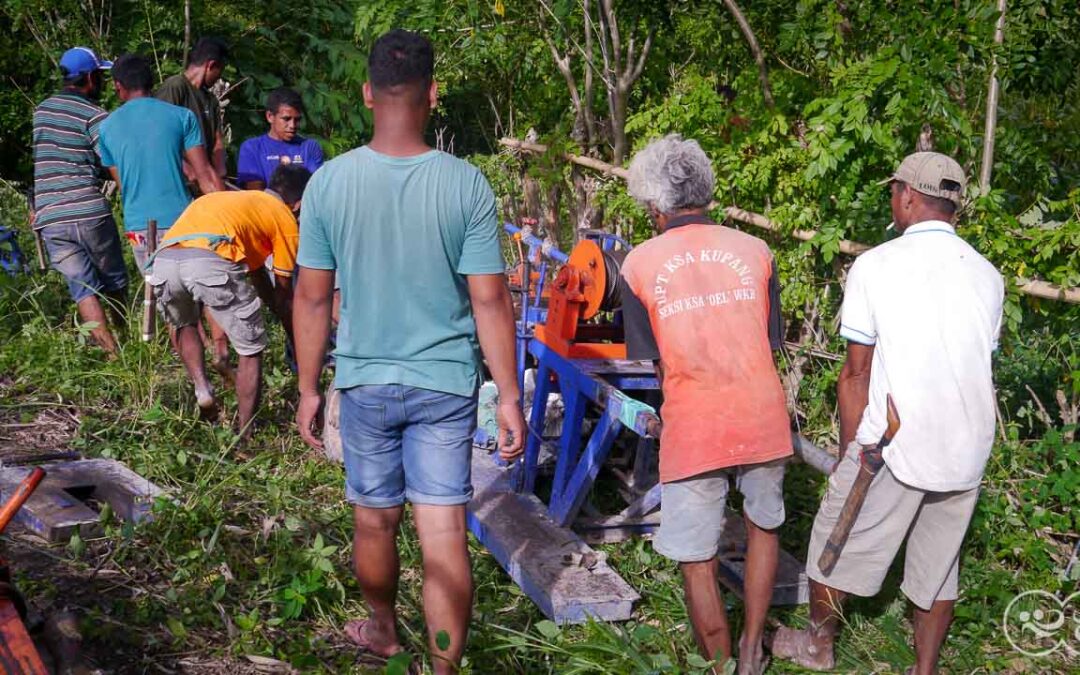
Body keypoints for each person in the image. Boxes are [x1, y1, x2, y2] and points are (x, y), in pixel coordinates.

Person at [292, 29, 524, 673]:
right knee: (443, 529)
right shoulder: (466, 184)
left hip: (364, 379)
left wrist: (310, 388)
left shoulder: (329, 184)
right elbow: (490, 301)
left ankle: (384, 631)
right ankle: (444, 667)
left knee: (375, 521)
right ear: (433, 94)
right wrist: (509, 396)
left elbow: (311, 300)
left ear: (367, 93)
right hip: (446, 382)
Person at [771, 152, 1004, 674]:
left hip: (896, 441)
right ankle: (924, 669)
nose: (893, 200)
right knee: (940, 568)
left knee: (833, 542)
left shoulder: (877, 265)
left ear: (910, 198)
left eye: (895, 191)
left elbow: (855, 374)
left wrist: (852, 457)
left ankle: (817, 646)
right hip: (968, 446)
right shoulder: (988, 276)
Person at [618, 135, 793, 675]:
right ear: (706, 192)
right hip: (762, 413)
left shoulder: (638, 263)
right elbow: (769, 341)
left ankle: (718, 665)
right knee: (764, 528)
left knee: (697, 555)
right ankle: (751, 650)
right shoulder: (755, 251)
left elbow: (654, 363)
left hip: (695, 423)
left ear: (654, 205)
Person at [148, 165, 310, 434]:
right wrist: (300, 345)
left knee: (184, 324)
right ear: (299, 204)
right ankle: (245, 434)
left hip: (164, 259)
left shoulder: (231, 200)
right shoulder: (284, 218)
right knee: (251, 348)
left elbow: (259, 277)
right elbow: (284, 295)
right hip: (210, 261)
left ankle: (202, 389)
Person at [31, 47, 127, 355]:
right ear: (89, 77)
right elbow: (110, 159)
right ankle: (127, 339)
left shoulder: (41, 111)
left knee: (83, 288)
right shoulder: (95, 115)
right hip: (88, 210)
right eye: (100, 75)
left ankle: (113, 355)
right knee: (113, 280)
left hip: (51, 217)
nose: (102, 81)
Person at [98, 54, 222, 269]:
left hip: (139, 228)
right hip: (183, 222)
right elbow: (206, 176)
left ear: (118, 86)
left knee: (155, 294)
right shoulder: (182, 117)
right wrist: (228, 216)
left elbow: (123, 185)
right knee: (196, 289)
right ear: (151, 83)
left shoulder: (106, 128)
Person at [156, 37, 229, 181]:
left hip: (204, 181)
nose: (218, 78)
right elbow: (159, 138)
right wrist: (187, 169)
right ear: (211, 65)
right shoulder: (175, 87)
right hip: (177, 180)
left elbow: (217, 142)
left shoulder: (211, 100)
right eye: (219, 72)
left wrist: (220, 175)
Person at [237, 87, 324, 190]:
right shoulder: (252, 148)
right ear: (270, 116)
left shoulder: (310, 147)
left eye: (297, 120)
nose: (292, 125)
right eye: (286, 119)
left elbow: (315, 189)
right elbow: (256, 194)